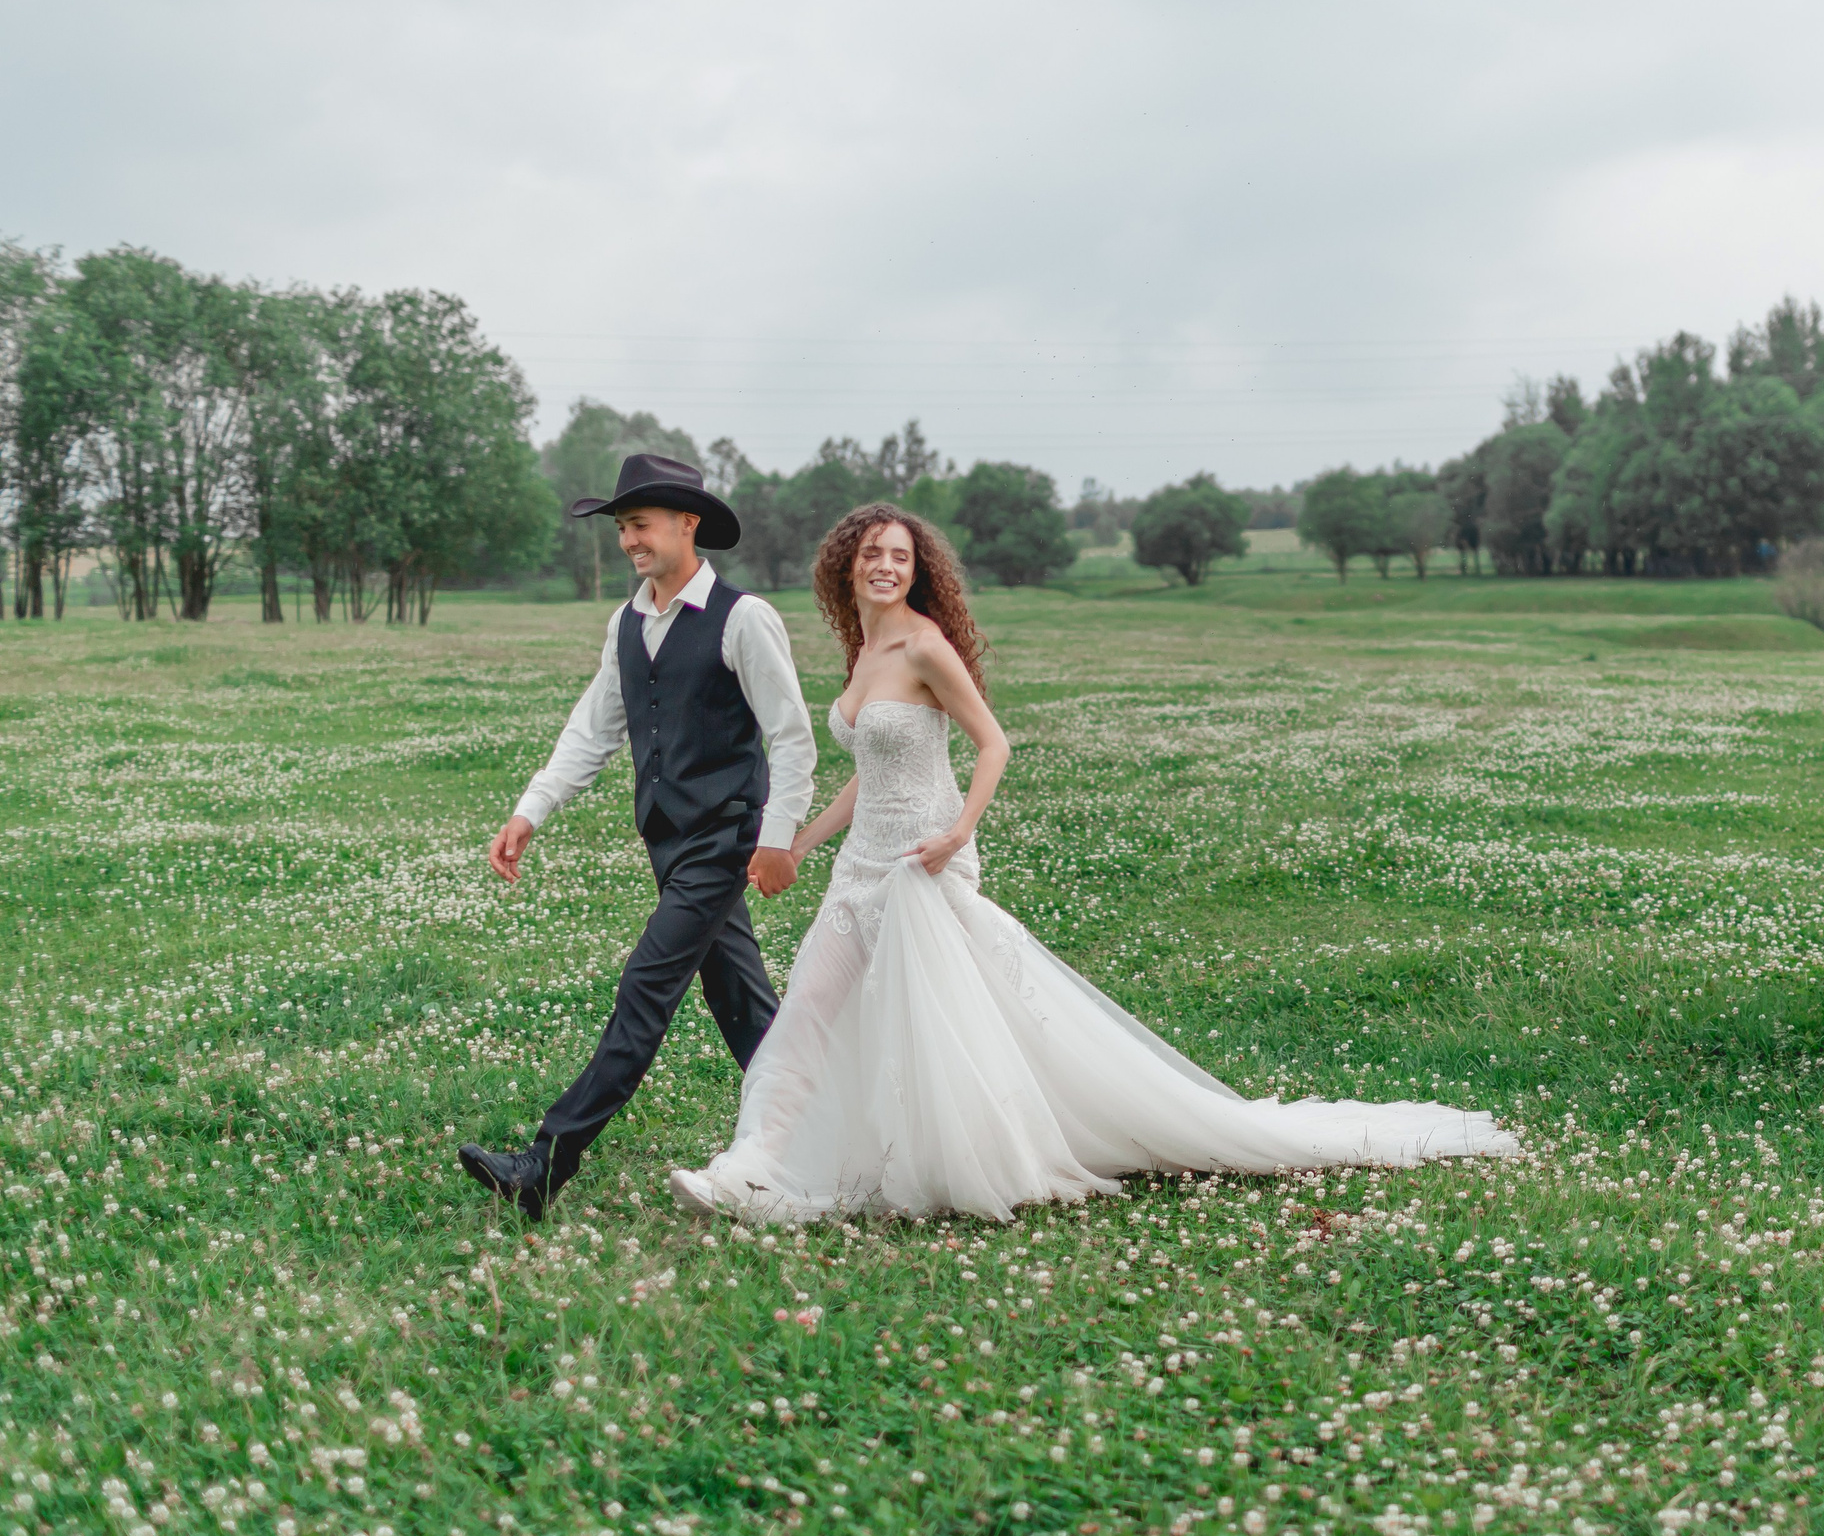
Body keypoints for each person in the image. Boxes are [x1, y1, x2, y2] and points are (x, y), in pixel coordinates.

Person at [671, 502, 1515, 1224]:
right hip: (859, 868)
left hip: (922, 865)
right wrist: (798, 841)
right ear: (846, 569)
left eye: (900, 555)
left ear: (915, 570)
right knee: (809, 1013)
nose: (885, 566)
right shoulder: (863, 650)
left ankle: (979, 1150)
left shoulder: (927, 645)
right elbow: (872, 770)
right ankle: (750, 1168)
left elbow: (992, 743)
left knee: (956, 1022)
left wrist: (960, 831)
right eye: (872, 555)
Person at [462, 452, 817, 1221]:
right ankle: (827, 1139)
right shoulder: (627, 621)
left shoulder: (744, 618)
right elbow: (593, 729)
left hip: (725, 839)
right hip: (667, 839)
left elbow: (791, 738)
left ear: (688, 525)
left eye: (641, 523)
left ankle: (546, 1163)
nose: (629, 538)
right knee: (744, 1004)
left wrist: (778, 837)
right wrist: (530, 810)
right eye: (622, 526)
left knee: (645, 990)